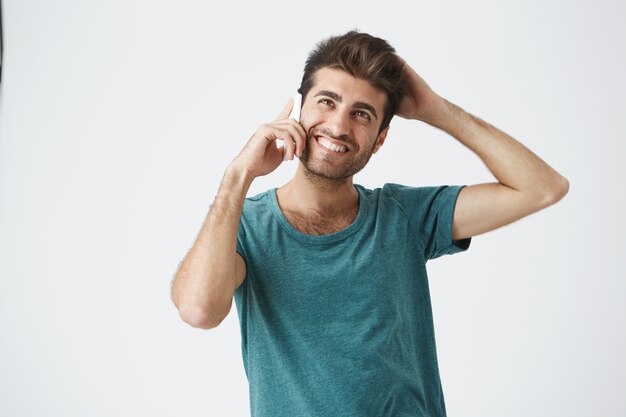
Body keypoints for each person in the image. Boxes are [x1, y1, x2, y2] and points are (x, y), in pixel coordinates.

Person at [170, 30, 569, 417]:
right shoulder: (244, 225)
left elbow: (542, 188)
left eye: (361, 114)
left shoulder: (406, 215)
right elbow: (199, 310)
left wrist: (435, 110)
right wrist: (239, 174)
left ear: (379, 139)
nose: (340, 126)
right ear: (297, 109)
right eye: (327, 102)